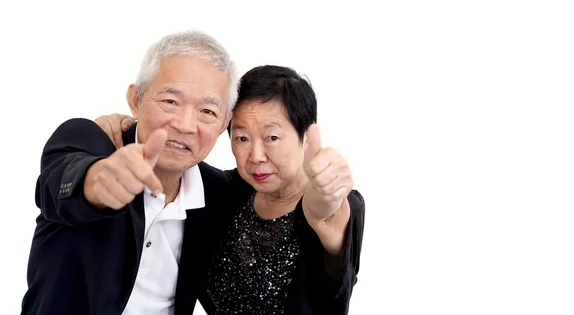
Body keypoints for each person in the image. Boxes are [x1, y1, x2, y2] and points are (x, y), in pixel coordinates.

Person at [98, 65, 365, 314]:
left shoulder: (339, 204)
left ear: (305, 137)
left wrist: (324, 210)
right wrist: (124, 126)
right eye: (242, 138)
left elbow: (335, 288)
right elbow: (171, 157)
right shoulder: (223, 191)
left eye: (272, 137)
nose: (256, 155)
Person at [21, 30, 238, 315]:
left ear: (224, 123)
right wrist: (99, 182)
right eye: (170, 101)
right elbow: (59, 184)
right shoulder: (90, 141)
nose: (186, 125)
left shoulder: (219, 192)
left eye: (208, 111)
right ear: (136, 100)